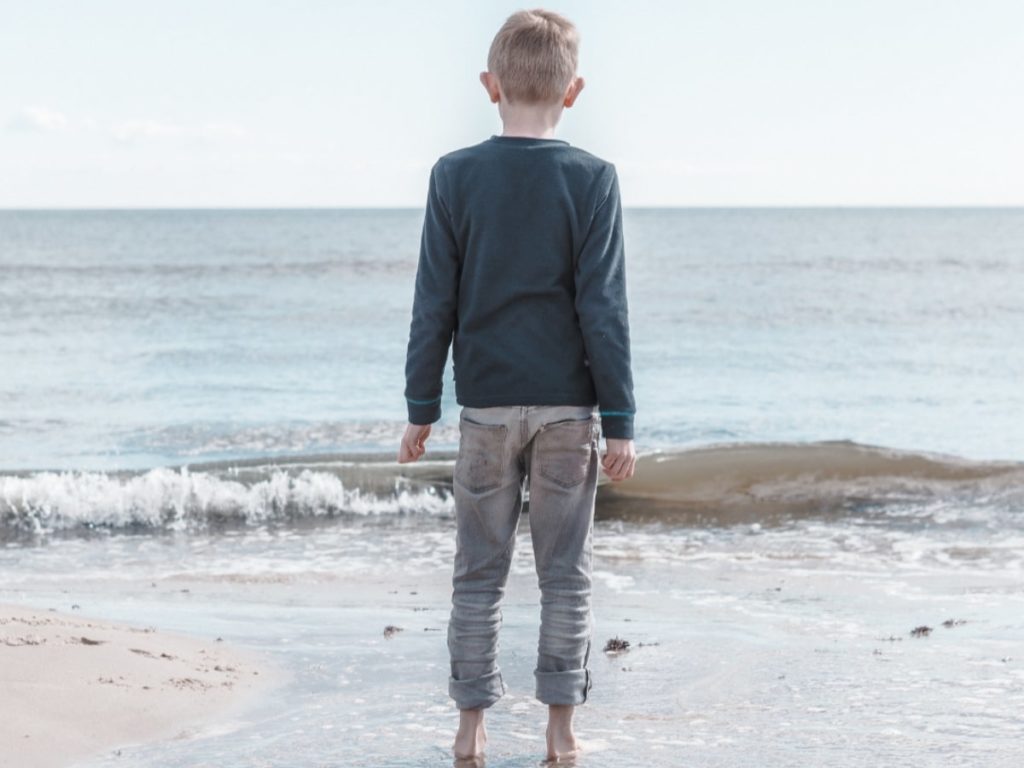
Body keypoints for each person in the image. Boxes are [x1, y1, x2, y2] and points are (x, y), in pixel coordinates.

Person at [397, 8, 636, 762]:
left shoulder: (455, 175)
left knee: (478, 575)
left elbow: (434, 298)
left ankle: (470, 731)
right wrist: (621, 416)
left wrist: (419, 408)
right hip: (569, 409)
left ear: (489, 85)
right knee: (566, 576)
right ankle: (561, 735)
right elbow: (603, 305)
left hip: (486, 409)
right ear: (574, 92)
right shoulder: (593, 179)